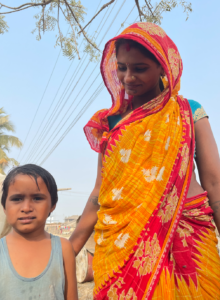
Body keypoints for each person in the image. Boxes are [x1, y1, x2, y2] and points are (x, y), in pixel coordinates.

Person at [70, 22, 220, 299]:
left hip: (187, 233)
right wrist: (70, 250)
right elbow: (99, 192)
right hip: (123, 241)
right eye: (122, 67)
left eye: (139, 68)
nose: (128, 77)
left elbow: (214, 181)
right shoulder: (111, 123)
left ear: (165, 67)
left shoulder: (189, 112)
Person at [0, 164, 78, 300]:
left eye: (37, 198)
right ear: (4, 206)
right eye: (17, 199)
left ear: (53, 205)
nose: (26, 208)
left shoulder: (63, 249)